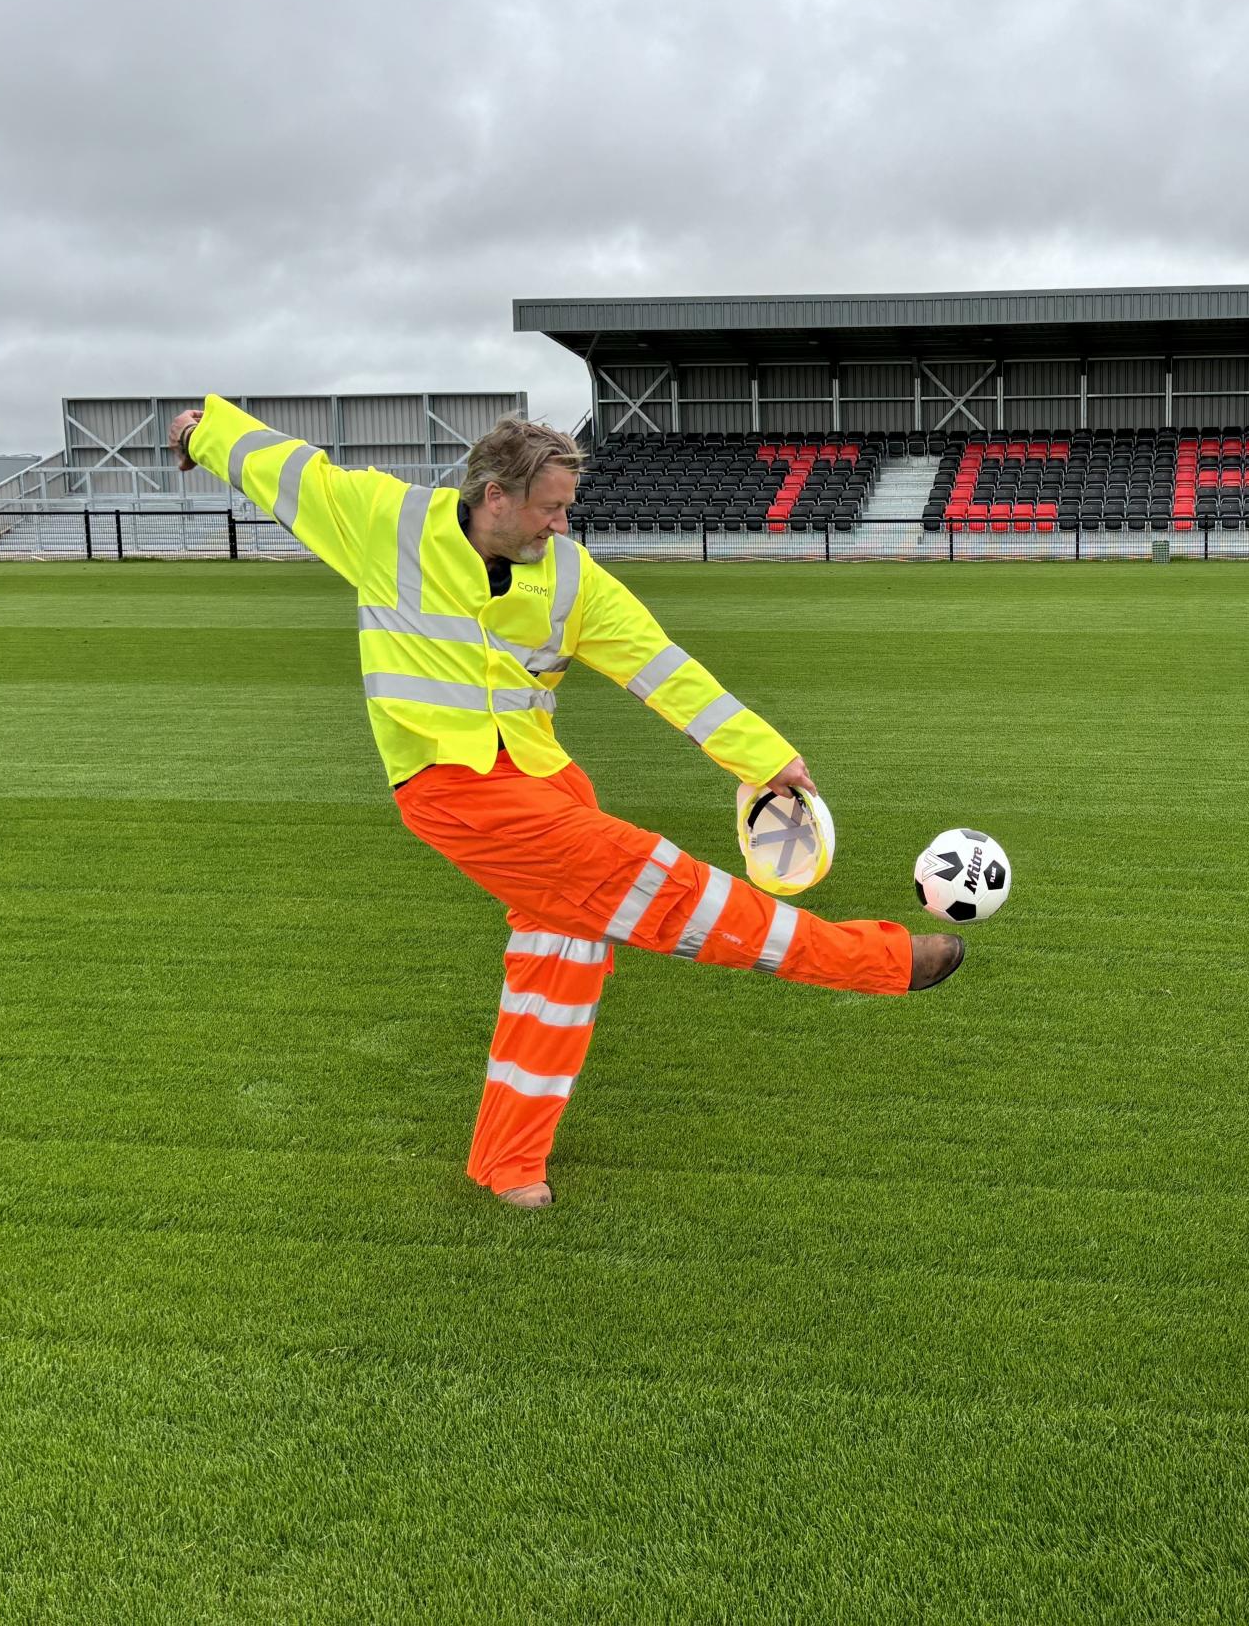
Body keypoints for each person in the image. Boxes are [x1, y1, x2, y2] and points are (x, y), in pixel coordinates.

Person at [166, 399, 966, 1210]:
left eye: (567, 507)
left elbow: (662, 668)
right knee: (657, 880)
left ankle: (508, 1164)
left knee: (563, 967)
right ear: (495, 496)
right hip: (448, 788)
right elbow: (283, 466)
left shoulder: (575, 578)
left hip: (547, 783)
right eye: (551, 507)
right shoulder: (383, 520)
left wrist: (765, 758)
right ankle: (876, 963)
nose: (562, 523)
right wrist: (204, 433)